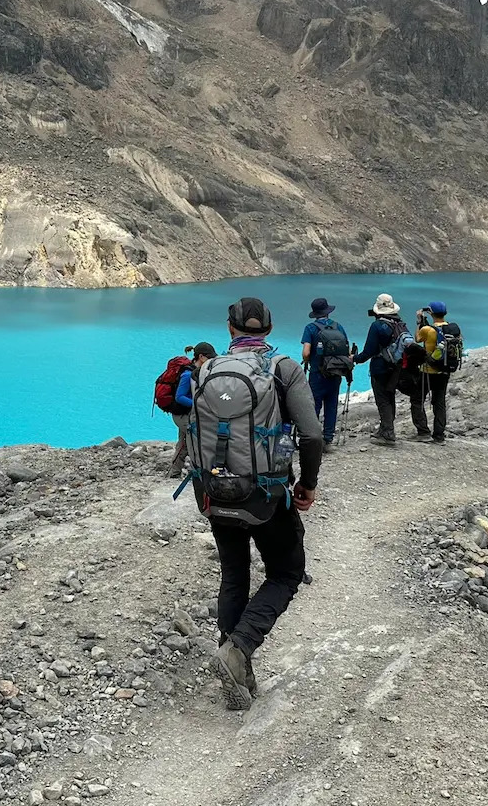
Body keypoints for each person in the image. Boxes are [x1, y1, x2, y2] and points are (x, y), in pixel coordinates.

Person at [190, 297, 323, 712]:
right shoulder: (283, 368)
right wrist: (307, 484)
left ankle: (237, 666)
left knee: (234, 571)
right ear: (267, 329)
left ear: (230, 329)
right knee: (287, 572)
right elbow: (312, 434)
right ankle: (239, 650)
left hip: (213, 491)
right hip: (264, 493)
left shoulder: (206, 369)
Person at [354, 293, 415, 445]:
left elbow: (369, 350)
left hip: (380, 368)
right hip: (396, 368)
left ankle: (388, 433)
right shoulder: (399, 323)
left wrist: (356, 359)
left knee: (382, 400)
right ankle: (386, 428)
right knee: (390, 397)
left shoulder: (377, 326)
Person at [300, 297, 353, 449]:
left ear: (315, 313)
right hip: (335, 372)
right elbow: (348, 351)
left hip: (317, 373)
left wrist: (308, 360)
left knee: (314, 405)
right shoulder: (338, 326)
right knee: (331, 404)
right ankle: (328, 439)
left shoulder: (310, 328)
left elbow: (306, 352)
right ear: (328, 312)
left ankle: (313, 439)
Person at [168, 342, 217, 477]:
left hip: (187, 413)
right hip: (182, 415)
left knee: (185, 442)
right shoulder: (187, 375)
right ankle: (195, 472)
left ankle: (175, 472)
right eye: (209, 358)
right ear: (201, 357)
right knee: (195, 439)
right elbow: (179, 397)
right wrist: (198, 404)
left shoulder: (197, 372)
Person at [417, 301, 460, 443]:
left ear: (430, 313)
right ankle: (439, 435)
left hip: (428, 371)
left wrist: (420, 321)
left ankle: (423, 431)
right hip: (444, 370)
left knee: (417, 400)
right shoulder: (452, 329)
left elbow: (418, 339)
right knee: (439, 402)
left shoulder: (428, 330)